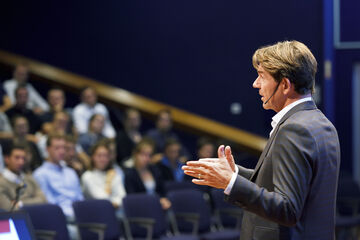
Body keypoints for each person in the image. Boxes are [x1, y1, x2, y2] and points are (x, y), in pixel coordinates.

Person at [183, 40, 341, 240]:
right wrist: (235, 173)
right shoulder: (321, 123)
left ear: (284, 85)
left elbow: (288, 209)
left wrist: (230, 182)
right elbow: (289, 186)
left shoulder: (294, 128)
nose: (255, 84)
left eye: (261, 77)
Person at [33, 133, 83, 218]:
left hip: (80, 216)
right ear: (47, 149)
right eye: (57, 148)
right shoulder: (40, 174)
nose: (62, 151)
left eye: (64, 147)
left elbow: (80, 198)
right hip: (60, 218)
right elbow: (49, 203)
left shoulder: (71, 172)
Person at [124, 139, 171, 210]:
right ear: (136, 154)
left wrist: (164, 199)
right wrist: (156, 200)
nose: (146, 158)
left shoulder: (155, 170)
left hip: (158, 207)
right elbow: (132, 198)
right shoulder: (130, 174)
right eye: (143, 154)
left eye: (149, 155)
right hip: (140, 209)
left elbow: (162, 191)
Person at [81, 142, 126, 212]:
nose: (102, 159)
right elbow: (101, 199)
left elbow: (122, 196)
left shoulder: (114, 173)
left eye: (106, 156)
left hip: (116, 213)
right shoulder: (87, 176)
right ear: (92, 157)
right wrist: (108, 183)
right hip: (96, 214)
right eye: (99, 156)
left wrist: (115, 204)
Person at [0, 143, 46, 211]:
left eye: (23, 158)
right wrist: (34, 202)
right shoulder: (1, 183)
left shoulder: (30, 179)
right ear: (7, 159)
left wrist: (20, 203)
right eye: (17, 158)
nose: (21, 162)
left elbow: (43, 200)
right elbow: (9, 208)